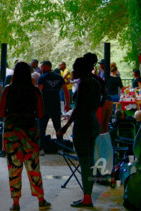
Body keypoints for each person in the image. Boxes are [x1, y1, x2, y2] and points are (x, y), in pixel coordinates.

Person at [0, 61, 51, 211]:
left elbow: (1, 114)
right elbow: (40, 114)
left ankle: (15, 204)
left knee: (14, 167)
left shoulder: (8, 90)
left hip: (12, 132)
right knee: (33, 166)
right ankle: (41, 200)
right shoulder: (34, 91)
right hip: (30, 132)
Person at [58, 56, 102, 208]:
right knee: (90, 161)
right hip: (94, 123)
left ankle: (87, 198)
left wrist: (65, 126)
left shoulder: (83, 84)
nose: (72, 72)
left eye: (74, 69)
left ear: (80, 70)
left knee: (84, 162)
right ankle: (88, 195)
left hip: (83, 126)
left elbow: (78, 109)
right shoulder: (96, 82)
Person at [38, 61, 70, 155]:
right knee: (58, 127)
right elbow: (66, 91)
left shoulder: (42, 78)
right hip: (55, 106)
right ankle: (60, 148)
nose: (40, 68)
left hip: (45, 106)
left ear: (44, 67)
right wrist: (67, 103)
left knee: (42, 127)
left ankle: (41, 149)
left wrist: (36, 105)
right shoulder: (59, 77)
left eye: (41, 66)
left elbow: (39, 92)